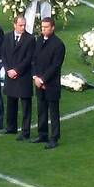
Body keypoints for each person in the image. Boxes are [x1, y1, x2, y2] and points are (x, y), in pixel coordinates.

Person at [33, 16, 66, 148]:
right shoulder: (39, 40)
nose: (44, 29)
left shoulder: (58, 45)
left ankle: (54, 138)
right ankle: (42, 134)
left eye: (46, 27)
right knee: (41, 109)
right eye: (42, 27)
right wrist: (35, 77)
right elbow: (34, 59)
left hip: (51, 84)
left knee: (53, 111)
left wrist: (43, 79)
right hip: (39, 82)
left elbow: (55, 65)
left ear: (53, 28)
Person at [3, 16, 36, 140]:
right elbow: (4, 54)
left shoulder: (30, 39)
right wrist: (8, 70)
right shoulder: (7, 37)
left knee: (25, 105)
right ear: (14, 25)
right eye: (20, 25)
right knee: (11, 102)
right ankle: (11, 127)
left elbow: (29, 58)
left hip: (23, 76)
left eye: (24, 25)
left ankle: (25, 131)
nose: (23, 27)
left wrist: (16, 70)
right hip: (10, 75)